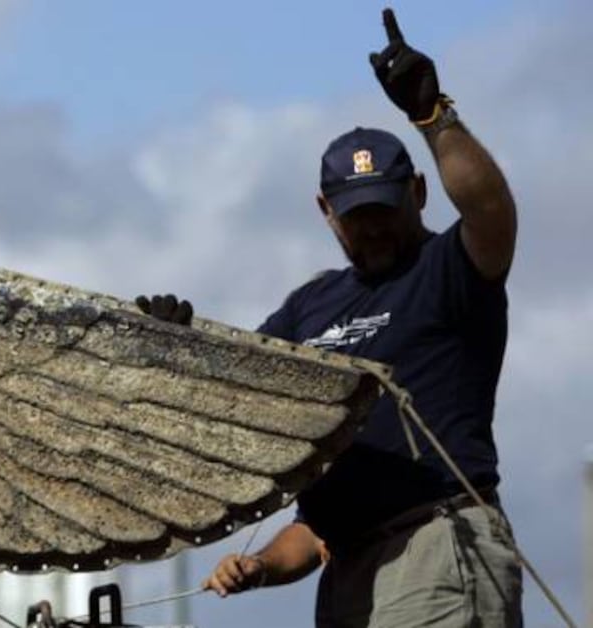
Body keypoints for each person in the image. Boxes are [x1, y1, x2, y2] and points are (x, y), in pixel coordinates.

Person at [138, 9, 522, 627]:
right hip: (348, 574)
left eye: (383, 208)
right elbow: (303, 509)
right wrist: (172, 350)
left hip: (434, 550)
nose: (371, 226)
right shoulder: (307, 309)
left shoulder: (449, 270)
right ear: (326, 211)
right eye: (354, 213)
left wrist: (433, 117)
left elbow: (492, 210)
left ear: (417, 195)